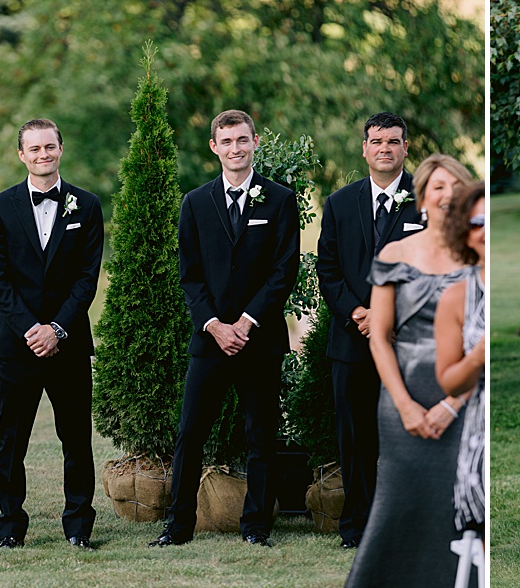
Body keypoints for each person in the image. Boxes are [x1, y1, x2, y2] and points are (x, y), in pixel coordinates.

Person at [149, 110, 299, 548]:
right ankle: (178, 527)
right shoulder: (195, 202)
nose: (235, 148)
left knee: (261, 437)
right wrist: (215, 325)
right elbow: (189, 274)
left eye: (242, 140)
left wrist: (247, 322)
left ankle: (256, 527)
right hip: (210, 340)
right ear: (214, 147)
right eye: (226, 141)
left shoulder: (279, 199)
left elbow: (283, 269)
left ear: (255, 143)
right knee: (190, 434)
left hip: (260, 338)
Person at [345, 153, 473, 587]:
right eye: (438, 187)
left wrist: (453, 405)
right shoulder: (394, 253)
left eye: (456, 186)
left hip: (464, 401)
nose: (448, 195)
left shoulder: (479, 257)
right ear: (422, 198)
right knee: (399, 502)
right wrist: (404, 405)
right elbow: (379, 336)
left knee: (455, 503)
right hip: (401, 398)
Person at [0, 119, 103, 551]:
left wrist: (57, 329)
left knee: (75, 438)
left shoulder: (86, 206)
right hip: (18, 345)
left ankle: (78, 528)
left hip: (68, 344)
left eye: (49, 147)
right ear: (21, 155)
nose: (42, 155)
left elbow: (87, 278)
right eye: (33, 149)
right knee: (11, 440)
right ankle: (11, 527)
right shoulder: (0, 206)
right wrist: (31, 329)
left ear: (60, 149)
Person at [316, 112, 424, 549]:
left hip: (407, 341)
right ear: (364, 148)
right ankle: (356, 526)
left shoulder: (427, 198)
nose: (384, 148)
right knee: (355, 437)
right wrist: (358, 313)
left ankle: (405, 523)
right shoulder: (340, 203)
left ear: (404, 148)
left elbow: (438, 264)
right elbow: (328, 267)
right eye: (376, 141)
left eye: (393, 141)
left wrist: (392, 315)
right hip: (352, 341)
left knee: (405, 435)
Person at [434, 182, 487, 588]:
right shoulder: (456, 295)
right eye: (474, 222)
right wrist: (476, 357)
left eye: (489, 220)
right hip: (477, 423)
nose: (483, 229)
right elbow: (448, 377)